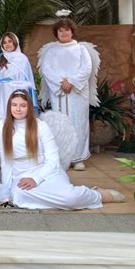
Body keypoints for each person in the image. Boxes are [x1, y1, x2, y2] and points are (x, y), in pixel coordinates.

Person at [0, 90, 125, 209]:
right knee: (18, 195)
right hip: (21, 176)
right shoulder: (2, 127)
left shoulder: (40, 126)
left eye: (23, 105)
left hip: (47, 172)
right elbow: (6, 162)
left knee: (70, 198)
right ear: (9, 107)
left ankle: (96, 195)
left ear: (29, 107)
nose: (18, 109)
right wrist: (5, 190)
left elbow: (53, 160)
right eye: (14, 105)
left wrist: (36, 178)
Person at [38, 11, 100, 171]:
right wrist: (61, 83)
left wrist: (71, 82)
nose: (64, 32)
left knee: (78, 123)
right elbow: (46, 69)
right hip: (59, 92)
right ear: (56, 33)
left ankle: (78, 158)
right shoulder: (51, 51)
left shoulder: (81, 49)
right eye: (60, 30)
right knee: (60, 124)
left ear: (72, 31)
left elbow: (86, 68)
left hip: (77, 93)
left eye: (67, 30)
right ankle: (62, 157)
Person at [0, 32, 39, 118]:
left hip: (19, 91)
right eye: (4, 42)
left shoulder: (23, 58)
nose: (7, 44)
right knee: (3, 116)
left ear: (15, 42)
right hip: (3, 92)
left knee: (19, 115)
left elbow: (29, 79)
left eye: (10, 41)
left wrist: (29, 97)